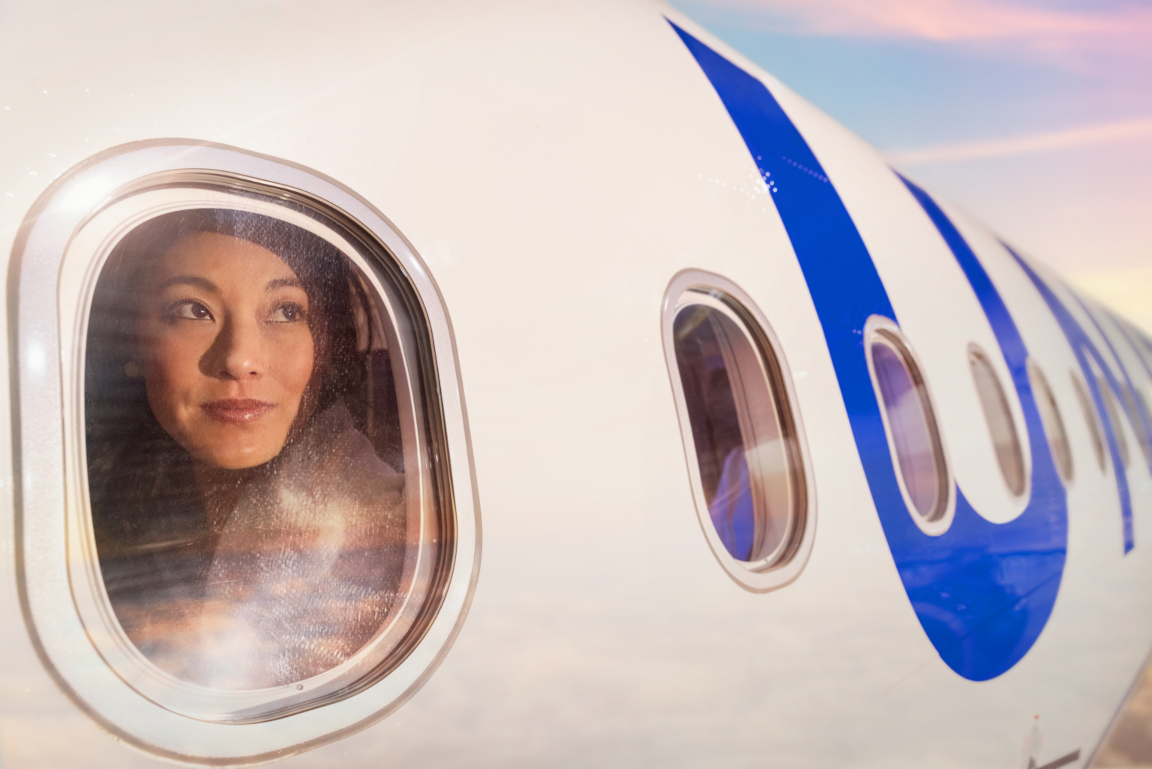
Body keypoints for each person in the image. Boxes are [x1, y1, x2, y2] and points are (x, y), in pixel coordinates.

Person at [85, 208, 407, 690]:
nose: (240, 358)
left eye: (285, 311)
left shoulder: (386, 537)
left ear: (321, 342)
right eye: (193, 309)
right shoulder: (89, 489)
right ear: (134, 339)